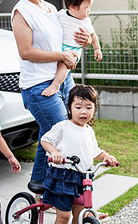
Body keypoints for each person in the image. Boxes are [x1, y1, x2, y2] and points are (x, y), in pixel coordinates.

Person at [11, 0, 92, 185]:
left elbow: (67, 38)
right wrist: (62, 55)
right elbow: (26, 52)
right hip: (38, 86)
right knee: (64, 135)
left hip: (63, 79)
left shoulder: (50, 8)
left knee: (52, 133)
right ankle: (65, 189)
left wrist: (84, 40)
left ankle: (39, 184)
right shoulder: (21, 12)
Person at [41, 85, 118, 224]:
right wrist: (54, 152)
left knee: (81, 213)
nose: (83, 112)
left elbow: (93, 150)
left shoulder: (89, 131)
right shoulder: (63, 127)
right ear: (69, 108)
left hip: (83, 177)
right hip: (63, 176)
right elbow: (46, 140)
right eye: (78, 107)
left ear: (94, 109)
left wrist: (106, 156)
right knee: (64, 216)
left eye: (88, 108)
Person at [41, 0, 103, 97]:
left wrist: (97, 48)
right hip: (60, 47)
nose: (88, 11)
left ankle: (56, 84)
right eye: (86, 7)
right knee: (57, 63)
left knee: (64, 65)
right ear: (73, 7)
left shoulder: (85, 21)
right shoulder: (61, 14)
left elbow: (93, 35)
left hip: (74, 50)